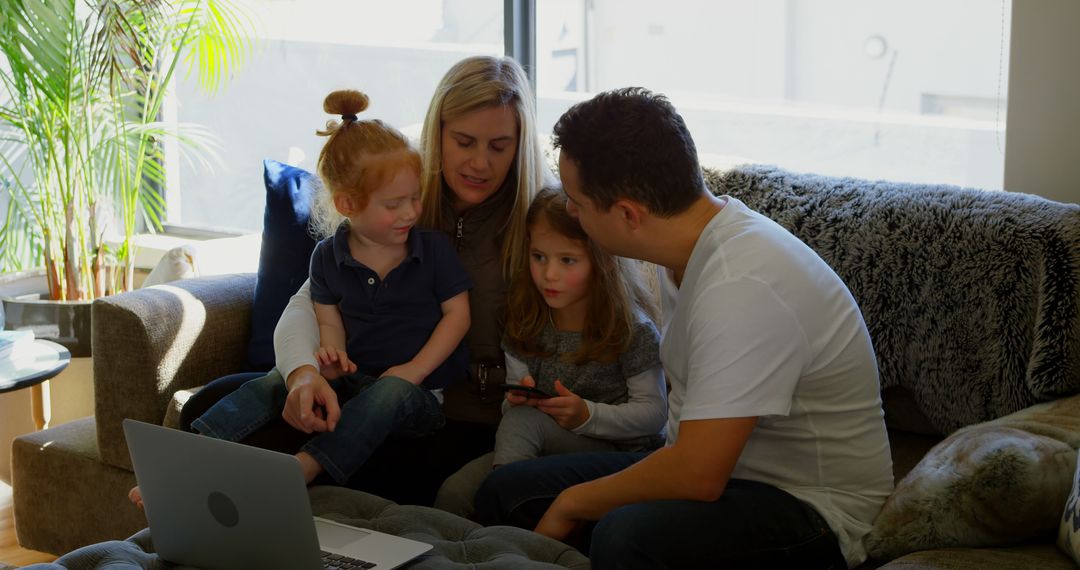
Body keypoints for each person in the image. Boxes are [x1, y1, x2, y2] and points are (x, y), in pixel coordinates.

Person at [473, 87, 894, 569]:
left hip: (811, 509)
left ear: (628, 214)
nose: (570, 214)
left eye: (577, 202)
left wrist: (571, 504)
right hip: (723, 475)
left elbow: (697, 475)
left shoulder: (741, 284)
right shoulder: (684, 252)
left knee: (625, 536)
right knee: (507, 493)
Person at [177, 55, 552, 503]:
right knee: (211, 399)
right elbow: (309, 304)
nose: (480, 163)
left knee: (361, 465)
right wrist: (303, 375)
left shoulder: (541, 223)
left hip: (458, 417)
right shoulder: (395, 196)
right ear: (439, 133)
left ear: (520, 144)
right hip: (360, 387)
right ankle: (193, 492)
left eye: (499, 146)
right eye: (465, 141)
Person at [130, 89, 472, 507]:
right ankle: (183, 460)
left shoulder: (432, 251)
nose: (410, 212)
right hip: (352, 382)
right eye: (394, 203)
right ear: (348, 203)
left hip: (417, 397)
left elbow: (458, 316)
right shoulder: (328, 256)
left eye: (415, 198)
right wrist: (333, 356)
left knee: (390, 391)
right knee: (277, 380)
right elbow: (327, 318)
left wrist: (413, 371)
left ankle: (306, 466)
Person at [433, 186, 667, 517]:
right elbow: (513, 405)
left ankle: (508, 507)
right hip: (543, 444)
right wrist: (514, 399)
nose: (549, 274)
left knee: (524, 426)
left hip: (619, 453)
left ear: (602, 262)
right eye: (539, 257)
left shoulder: (631, 329)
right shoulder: (526, 319)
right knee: (455, 493)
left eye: (567, 260)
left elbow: (654, 416)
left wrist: (586, 415)